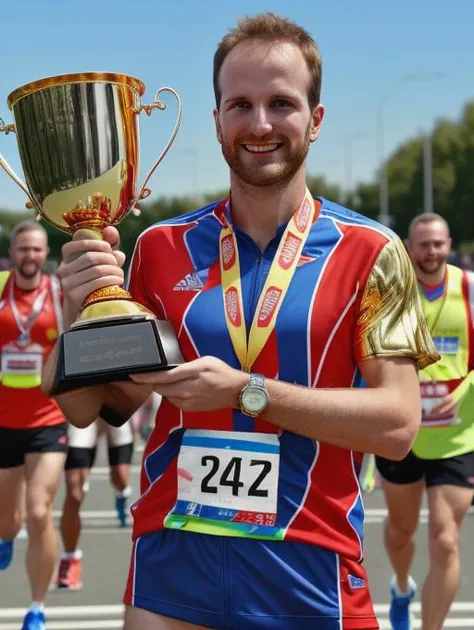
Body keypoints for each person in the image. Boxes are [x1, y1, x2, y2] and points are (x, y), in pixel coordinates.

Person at [45, 12, 439, 630]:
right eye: (240, 104)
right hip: (173, 556)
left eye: (281, 103)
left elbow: (398, 425)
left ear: (316, 118)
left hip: (310, 565)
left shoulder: (372, 252)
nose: (260, 124)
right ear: (217, 119)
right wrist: (78, 315)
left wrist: (246, 393)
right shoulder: (158, 247)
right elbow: (90, 408)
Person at [375, 212, 474, 630]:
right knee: (400, 534)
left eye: (438, 244)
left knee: (446, 541)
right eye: (422, 244)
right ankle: (401, 587)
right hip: (402, 435)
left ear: (449, 244)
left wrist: (465, 395)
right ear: (408, 247)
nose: (431, 252)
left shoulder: (468, 290)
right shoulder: (390, 293)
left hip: (457, 436)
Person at [0, 220, 68, 630]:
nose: (30, 257)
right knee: (8, 520)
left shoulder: (59, 295)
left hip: (49, 419)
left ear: (46, 254)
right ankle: (6, 535)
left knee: (39, 511)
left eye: (37, 250)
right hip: (3, 421)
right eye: (23, 249)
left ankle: (37, 608)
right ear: (13, 253)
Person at [53, 417, 134, 591]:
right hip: (85, 412)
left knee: (120, 477)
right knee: (75, 493)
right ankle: (69, 558)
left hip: (116, 409)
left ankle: (121, 494)